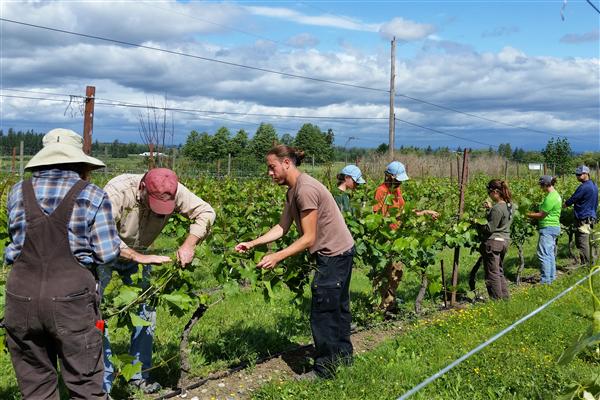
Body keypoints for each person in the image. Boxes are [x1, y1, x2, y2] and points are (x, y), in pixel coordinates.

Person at [3, 128, 120, 399]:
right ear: (79, 163)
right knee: (85, 383)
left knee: (35, 384)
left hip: (21, 297)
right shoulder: (93, 195)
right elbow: (107, 253)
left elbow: (16, 245)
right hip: (72, 300)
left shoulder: (17, 192)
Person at [235, 145, 355, 379]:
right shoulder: (293, 191)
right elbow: (282, 227)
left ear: (287, 163)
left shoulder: (305, 190)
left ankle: (325, 370)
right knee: (338, 308)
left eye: (272, 167)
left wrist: (277, 257)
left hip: (334, 255)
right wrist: (253, 243)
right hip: (340, 252)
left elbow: (309, 238)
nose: (269, 173)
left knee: (324, 313)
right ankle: (343, 357)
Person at [100, 168, 216, 394]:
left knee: (146, 310)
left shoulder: (172, 189)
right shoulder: (117, 191)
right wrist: (140, 257)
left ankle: (138, 376)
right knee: (96, 312)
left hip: (140, 253)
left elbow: (206, 211)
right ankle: (100, 383)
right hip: (104, 254)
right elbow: (102, 235)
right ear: (142, 188)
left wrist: (189, 243)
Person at [373, 161, 438, 313]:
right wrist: (397, 219)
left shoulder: (397, 190)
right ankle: (381, 308)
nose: (399, 183)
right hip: (385, 238)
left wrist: (425, 212)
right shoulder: (381, 191)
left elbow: (405, 210)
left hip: (397, 237)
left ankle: (389, 304)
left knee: (397, 273)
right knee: (384, 274)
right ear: (389, 177)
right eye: (397, 180)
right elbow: (378, 217)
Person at [478, 179, 513, 300]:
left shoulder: (497, 208)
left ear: (495, 192)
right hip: (504, 242)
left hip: (493, 243)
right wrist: (490, 209)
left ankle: (496, 300)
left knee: (492, 273)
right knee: (499, 271)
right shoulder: (508, 206)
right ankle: (505, 298)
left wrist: (476, 222)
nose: (489, 195)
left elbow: (489, 228)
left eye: (489, 192)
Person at [528, 175, 562, 284]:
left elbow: (542, 214)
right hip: (553, 227)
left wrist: (527, 214)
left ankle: (546, 281)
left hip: (548, 227)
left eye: (541, 185)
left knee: (543, 254)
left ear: (546, 184)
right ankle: (551, 277)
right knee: (549, 254)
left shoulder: (550, 197)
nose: (540, 187)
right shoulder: (555, 195)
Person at [563, 165, 598, 266]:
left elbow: (573, 199)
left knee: (582, 243)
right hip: (591, 217)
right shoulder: (593, 185)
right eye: (576, 175)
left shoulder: (584, 187)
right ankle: (594, 262)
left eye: (579, 174)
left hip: (583, 218)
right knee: (591, 241)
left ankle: (587, 265)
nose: (577, 176)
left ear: (586, 174)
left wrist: (564, 205)